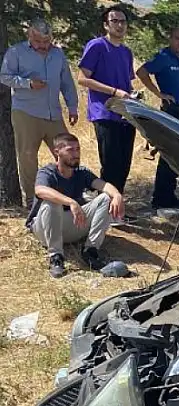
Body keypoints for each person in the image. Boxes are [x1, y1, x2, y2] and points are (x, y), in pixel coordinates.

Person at [1, 19, 79, 214]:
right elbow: (4, 76)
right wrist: (27, 83)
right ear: (30, 36)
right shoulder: (16, 52)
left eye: (47, 41)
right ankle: (33, 201)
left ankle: (71, 195)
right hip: (26, 112)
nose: (44, 46)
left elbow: (67, 81)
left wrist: (72, 106)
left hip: (53, 112)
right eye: (39, 42)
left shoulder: (57, 53)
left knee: (68, 152)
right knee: (27, 157)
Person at [26, 133, 124, 278]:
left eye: (78, 149)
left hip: (72, 225)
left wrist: (117, 195)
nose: (76, 154)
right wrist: (71, 202)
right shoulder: (48, 172)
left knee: (106, 198)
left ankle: (90, 251)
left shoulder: (81, 172)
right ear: (57, 152)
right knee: (51, 202)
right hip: (45, 228)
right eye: (70, 150)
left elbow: (103, 185)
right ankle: (56, 257)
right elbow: (40, 190)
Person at [77, 5, 138, 198]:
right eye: (115, 21)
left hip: (126, 114)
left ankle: (117, 206)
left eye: (123, 21)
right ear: (106, 25)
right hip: (104, 112)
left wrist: (133, 95)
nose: (119, 25)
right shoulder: (97, 45)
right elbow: (82, 78)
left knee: (124, 164)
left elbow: (126, 84)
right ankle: (106, 207)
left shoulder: (127, 52)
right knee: (111, 164)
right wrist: (114, 91)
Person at [136, 27, 179, 209]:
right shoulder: (163, 57)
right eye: (178, 39)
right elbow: (141, 72)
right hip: (172, 109)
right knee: (169, 153)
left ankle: (169, 195)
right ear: (170, 39)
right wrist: (158, 93)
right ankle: (161, 197)